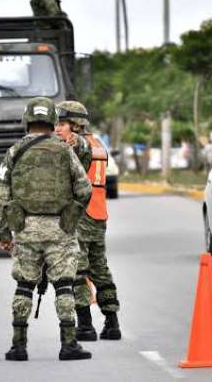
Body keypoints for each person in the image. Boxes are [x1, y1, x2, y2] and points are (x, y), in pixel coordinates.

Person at [0, 97, 93, 361]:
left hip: (25, 229)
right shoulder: (64, 150)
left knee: (24, 286)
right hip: (60, 230)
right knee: (64, 286)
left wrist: (3, 233)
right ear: (51, 121)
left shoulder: (13, 152)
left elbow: (0, 197)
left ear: (27, 121)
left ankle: (18, 345)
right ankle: (69, 344)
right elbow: (84, 189)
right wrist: (71, 217)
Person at [54, 100, 122, 341]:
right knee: (100, 269)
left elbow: (76, 146)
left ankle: (85, 326)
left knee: (77, 271)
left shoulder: (80, 144)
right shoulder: (98, 144)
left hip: (82, 216)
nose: (57, 129)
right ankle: (112, 323)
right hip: (98, 215)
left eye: (62, 124)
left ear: (76, 124)